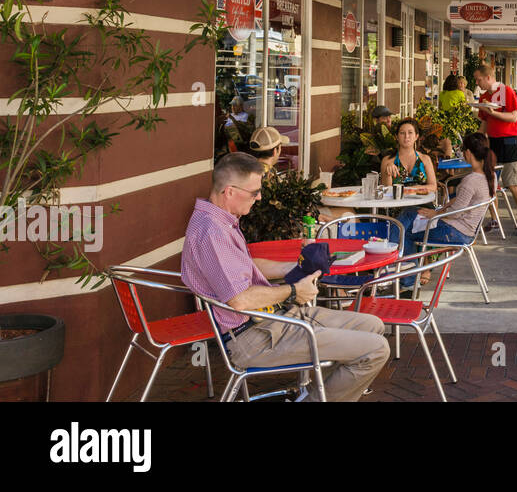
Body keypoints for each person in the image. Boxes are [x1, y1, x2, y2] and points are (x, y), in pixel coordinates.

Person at [180, 152, 389, 402]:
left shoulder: (220, 221)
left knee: (373, 325)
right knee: (376, 349)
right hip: (253, 337)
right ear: (230, 191)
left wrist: (296, 267)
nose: (259, 197)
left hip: (271, 319)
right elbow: (239, 300)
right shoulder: (211, 232)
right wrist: (294, 291)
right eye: (254, 191)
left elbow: (245, 266)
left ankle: (314, 396)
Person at [404, 132, 496, 259]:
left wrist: (436, 214)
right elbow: (462, 201)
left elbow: (455, 213)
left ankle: (407, 275)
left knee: (405, 232)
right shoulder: (491, 175)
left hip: (456, 232)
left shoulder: (471, 180)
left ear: (468, 153)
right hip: (467, 231)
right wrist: (442, 209)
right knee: (411, 215)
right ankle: (410, 272)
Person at [473, 64, 517, 235]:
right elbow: (484, 122)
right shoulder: (484, 96)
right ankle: (494, 219)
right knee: (490, 182)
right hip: (492, 142)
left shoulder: (506, 91)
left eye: (479, 79)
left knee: (513, 182)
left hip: (510, 141)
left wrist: (493, 113)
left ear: (489, 77)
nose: (477, 83)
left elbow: (514, 116)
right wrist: (476, 139)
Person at [380, 118, 434, 187]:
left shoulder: (425, 159)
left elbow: (433, 186)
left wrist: (413, 190)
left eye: (410, 132)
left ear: (416, 136)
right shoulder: (387, 161)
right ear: (397, 137)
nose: (406, 136)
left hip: (423, 197)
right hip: (397, 197)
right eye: (402, 133)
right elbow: (386, 191)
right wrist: (388, 173)